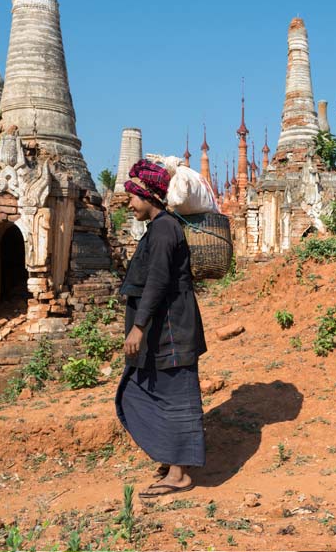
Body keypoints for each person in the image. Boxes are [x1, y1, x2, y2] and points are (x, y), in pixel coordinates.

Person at [115, 159, 207, 496]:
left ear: (148, 195)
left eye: (133, 197)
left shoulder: (166, 229)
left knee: (175, 395)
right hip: (164, 327)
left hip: (171, 329)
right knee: (146, 387)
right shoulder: (159, 228)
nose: (129, 203)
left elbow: (157, 281)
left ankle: (180, 473)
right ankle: (173, 459)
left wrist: (138, 327)